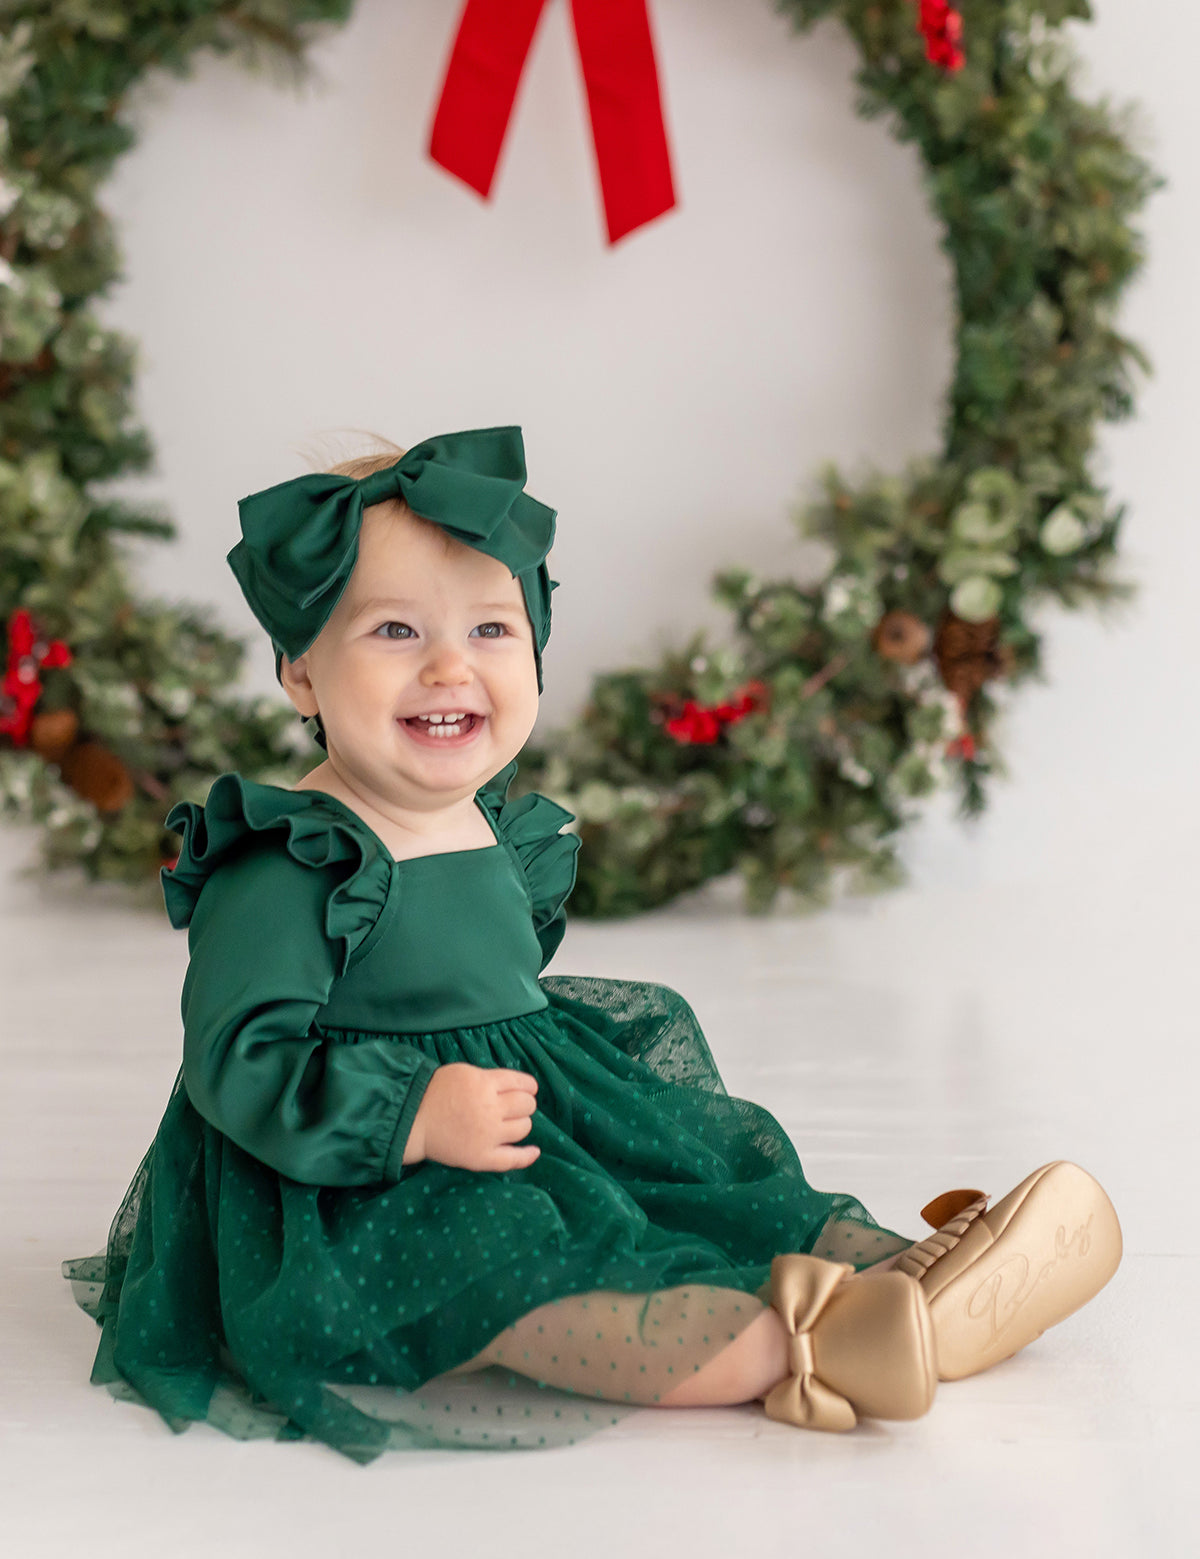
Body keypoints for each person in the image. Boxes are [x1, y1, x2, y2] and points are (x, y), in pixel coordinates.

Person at [63, 426, 1122, 1461]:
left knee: (690, 1176)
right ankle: (801, 1345)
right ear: (300, 672)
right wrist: (409, 1113)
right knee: (517, 1269)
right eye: (394, 631)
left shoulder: (493, 820)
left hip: (526, 1099)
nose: (448, 667)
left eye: (490, 631)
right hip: (355, 1168)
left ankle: (919, 1271)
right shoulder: (291, 852)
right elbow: (237, 1055)